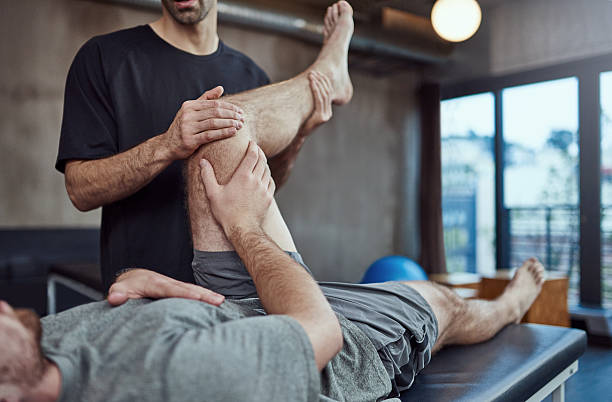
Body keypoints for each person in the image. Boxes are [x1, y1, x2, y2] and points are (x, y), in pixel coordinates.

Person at [0, 140, 545, 402]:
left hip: (222, 313)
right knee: (439, 301)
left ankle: (325, 86)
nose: (2, 306)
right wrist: (242, 227)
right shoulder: (175, 382)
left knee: (215, 142)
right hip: (329, 347)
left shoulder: (39, 346)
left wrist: (146, 291)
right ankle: (510, 306)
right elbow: (321, 332)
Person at [55, 0, 338, 289]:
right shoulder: (105, 57)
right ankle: (330, 69)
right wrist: (167, 145)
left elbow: (265, 185)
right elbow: (80, 190)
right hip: (144, 294)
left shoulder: (252, 77)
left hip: (233, 294)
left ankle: (329, 70)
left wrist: (298, 136)